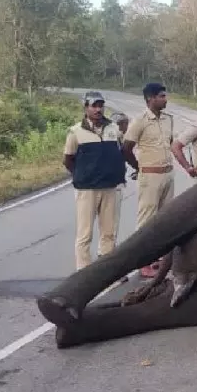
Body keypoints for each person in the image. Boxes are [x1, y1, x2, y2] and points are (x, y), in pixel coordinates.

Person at [62, 92, 127, 270]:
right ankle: (83, 272)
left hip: (110, 188)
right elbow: (68, 160)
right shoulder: (75, 132)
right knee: (85, 234)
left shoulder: (113, 128)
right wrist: (82, 175)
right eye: (94, 106)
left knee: (109, 233)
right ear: (86, 107)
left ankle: (105, 272)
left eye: (100, 105)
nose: (98, 109)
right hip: (87, 189)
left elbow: (120, 153)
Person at [121, 82, 175, 277]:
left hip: (168, 173)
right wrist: (139, 168)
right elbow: (126, 148)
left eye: (165, 96)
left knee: (165, 218)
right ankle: (142, 262)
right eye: (161, 96)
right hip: (150, 175)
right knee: (146, 220)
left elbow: (168, 144)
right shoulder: (140, 121)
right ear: (150, 99)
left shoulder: (168, 119)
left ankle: (159, 257)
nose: (165, 99)